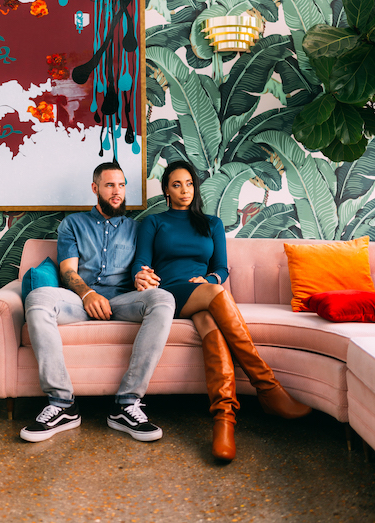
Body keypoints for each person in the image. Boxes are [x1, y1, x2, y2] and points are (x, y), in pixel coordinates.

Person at [131, 160, 311, 462]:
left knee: (213, 332)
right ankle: (266, 385)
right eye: (177, 184)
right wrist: (140, 274)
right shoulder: (154, 222)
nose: (184, 190)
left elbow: (220, 269)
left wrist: (210, 280)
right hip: (168, 294)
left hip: (202, 294)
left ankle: (224, 420)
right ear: (166, 190)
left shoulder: (211, 223)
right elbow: (142, 262)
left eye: (189, 183)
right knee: (216, 295)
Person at [20, 162, 176, 443]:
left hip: (122, 300)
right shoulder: (73, 224)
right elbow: (68, 271)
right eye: (110, 185)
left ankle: (126, 404)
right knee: (38, 297)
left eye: (121, 185)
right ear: (95, 188)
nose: (117, 192)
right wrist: (88, 294)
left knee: (163, 299)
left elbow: (141, 265)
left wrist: (142, 276)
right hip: (79, 300)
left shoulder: (137, 228)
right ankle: (62, 404)